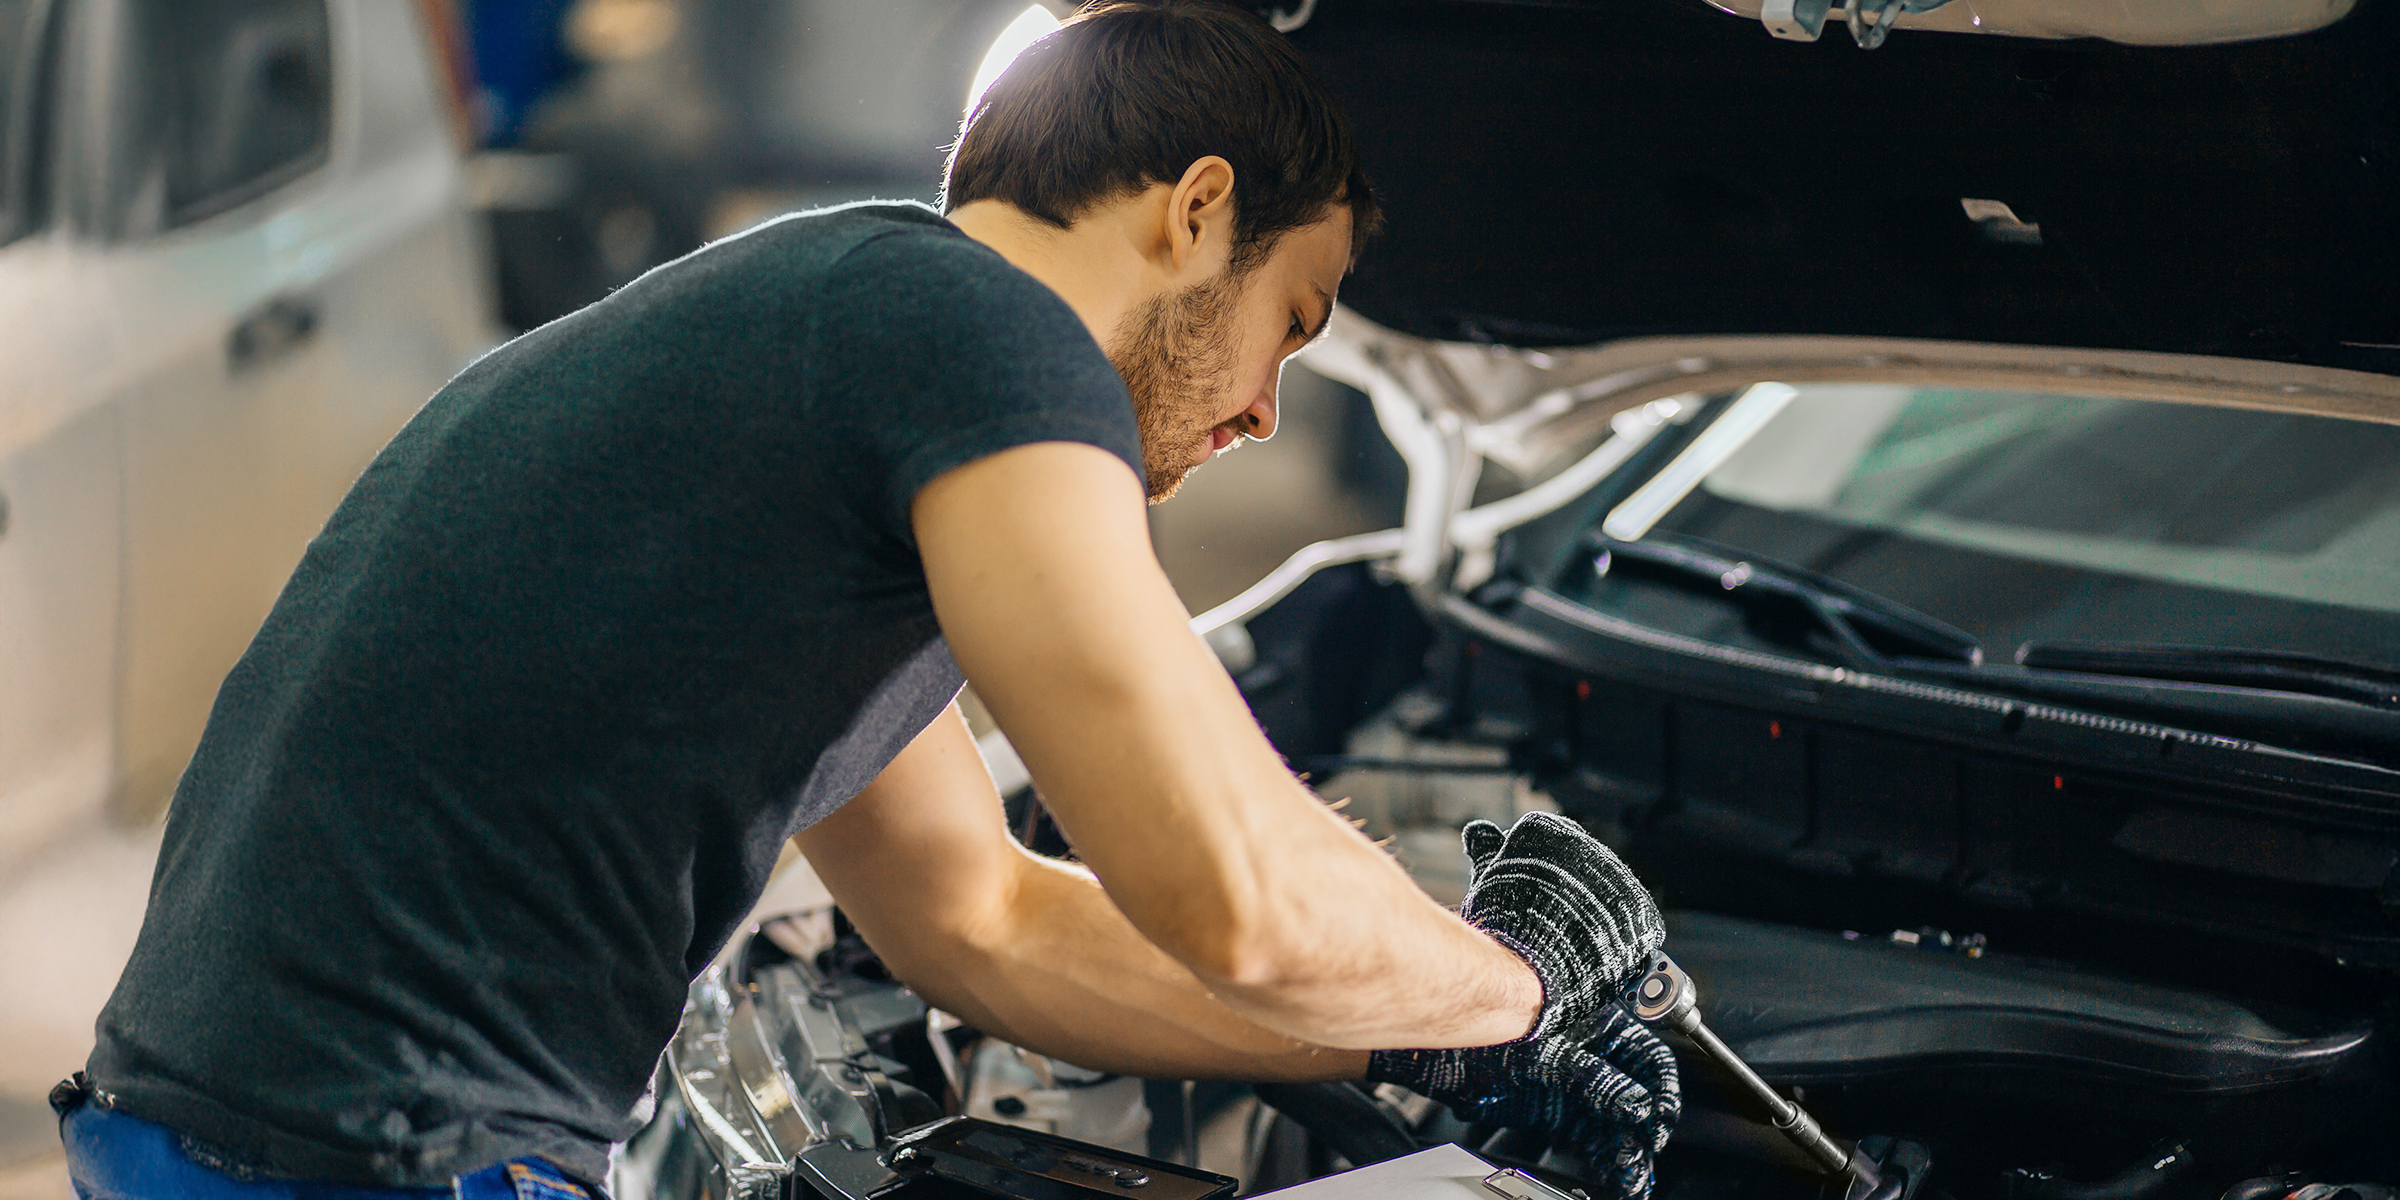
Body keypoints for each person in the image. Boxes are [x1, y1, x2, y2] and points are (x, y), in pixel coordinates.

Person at [57, 3, 1677, 1198]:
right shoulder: (982, 337)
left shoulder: (836, 339)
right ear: (1195, 211)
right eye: (1295, 318)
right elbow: (1230, 887)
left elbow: (985, 923)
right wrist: (1514, 986)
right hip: (383, 1151)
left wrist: (1407, 1036)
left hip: (192, 1124)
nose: (1265, 407)